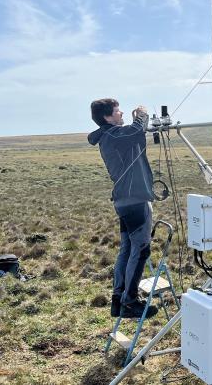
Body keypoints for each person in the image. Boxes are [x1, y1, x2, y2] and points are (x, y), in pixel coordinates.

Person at [88, 98, 158, 320]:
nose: (121, 114)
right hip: (134, 200)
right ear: (107, 117)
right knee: (140, 250)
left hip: (125, 201)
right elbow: (135, 132)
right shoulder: (113, 135)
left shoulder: (111, 136)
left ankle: (119, 300)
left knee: (127, 250)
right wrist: (142, 115)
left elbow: (135, 136)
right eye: (118, 111)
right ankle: (130, 301)